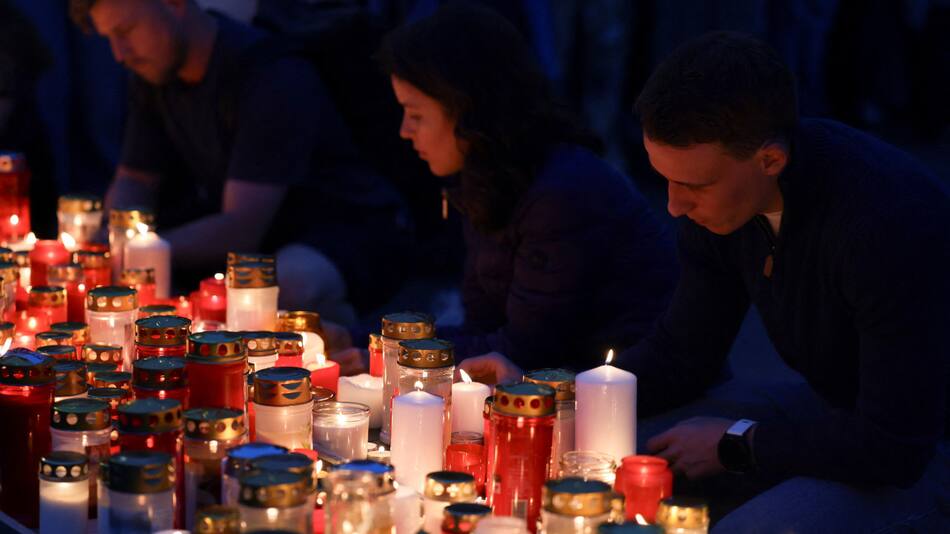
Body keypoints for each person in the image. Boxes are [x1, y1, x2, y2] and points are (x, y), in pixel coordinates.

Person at [463, 31, 950, 531]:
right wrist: (552, 395)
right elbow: (683, 351)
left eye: (693, 185)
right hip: (834, 407)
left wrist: (740, 443)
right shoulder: (725, 207)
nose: (673, 205)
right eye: (665, 180)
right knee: (591, 451)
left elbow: (897, 444)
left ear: (770, 159)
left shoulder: (884, 223)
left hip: (921, 446)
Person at [370, 3, 677, 372]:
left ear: (468, 108)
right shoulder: (486, 179)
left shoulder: (558, 194)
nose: (405, 131)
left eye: (416, 115)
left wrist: (386, 352)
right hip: (567, 378)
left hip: (629, 393)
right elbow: (483, 326)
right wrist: (367, 343)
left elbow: (526, 349)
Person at [69, 0, 410, 323]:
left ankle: (339, 328)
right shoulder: (155, 72)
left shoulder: (270, 75)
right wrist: (110, 239)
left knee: (285, 285)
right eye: (109, 38)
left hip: (344, 227)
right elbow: (135, 179)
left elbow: (241, 226)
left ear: (174, 3)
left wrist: (138, 253)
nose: (119, 54)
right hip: (256, 240)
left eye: (126, 30)